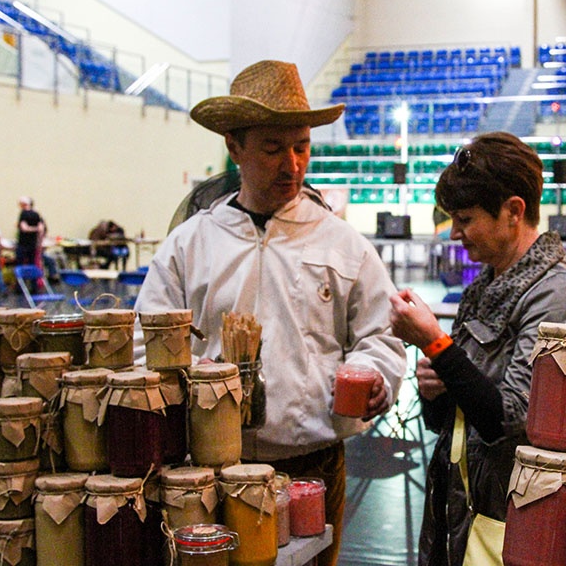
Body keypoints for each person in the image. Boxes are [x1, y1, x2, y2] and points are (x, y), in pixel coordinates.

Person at [134, 60, 407, 566]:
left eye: (302, 146)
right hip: (207, 471)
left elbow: (379, 333)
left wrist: (375, 375)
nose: (293, 164)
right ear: (234, 148)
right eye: (273, 148)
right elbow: (144, 343)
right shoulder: (190, 245)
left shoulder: (342, 244)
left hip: (312, 464)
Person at [388, 132, 566, 566]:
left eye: (464, 219)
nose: (456, 233)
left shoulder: (559, 297)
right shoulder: (483, 287)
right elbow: (446, 422)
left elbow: (510, 422)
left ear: (513, 211)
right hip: (458, 509)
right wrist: (434, 388)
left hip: (510, 518)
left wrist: (436, 345)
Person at [15, 196, 44, 267]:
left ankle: (21, 277)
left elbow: (24, 228)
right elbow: (41, 229)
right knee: (32, 264)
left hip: (23, 243)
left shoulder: (23, 213)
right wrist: (39, 243)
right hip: (33, 244)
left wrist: (30, 228)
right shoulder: (36, 214)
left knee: (20, 263)